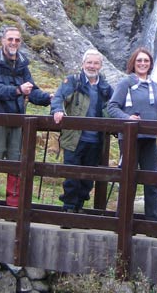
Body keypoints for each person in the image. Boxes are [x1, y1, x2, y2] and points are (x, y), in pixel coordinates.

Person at [0, 27, 52, 207]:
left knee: (16, 160)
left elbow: (31, 89)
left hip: (17, 118)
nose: (13, 43)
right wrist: (19, 90)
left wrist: (48, 99)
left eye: (17, 40)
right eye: (10, 39)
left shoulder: (22, 65)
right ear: (3, 41)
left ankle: (13, 205)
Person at [107, 47, 157, 221]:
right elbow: (112, 107)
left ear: (151, 64)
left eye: (146, 61)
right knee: (128, 178)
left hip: (150, 139)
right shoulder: (125, 83)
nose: (143, 63)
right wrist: (127, 118)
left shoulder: (155, 86)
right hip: (130, 138)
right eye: (139, 61)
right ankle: (122, 219)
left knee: (151, 179)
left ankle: (153, 220)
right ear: (133, 63)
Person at [51, 49, 113, 212]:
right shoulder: (73, 81)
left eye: (96, 63)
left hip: (96, 140)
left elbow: (114, 107)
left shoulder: (105, 87)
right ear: (83, 64)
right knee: (71, 175)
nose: (92, 66)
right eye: (89, 62)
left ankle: (79, 208)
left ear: (100, 65)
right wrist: (57, 110)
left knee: (88, 178)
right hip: (74, 138)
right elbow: (58, 97)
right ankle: (69, 208)